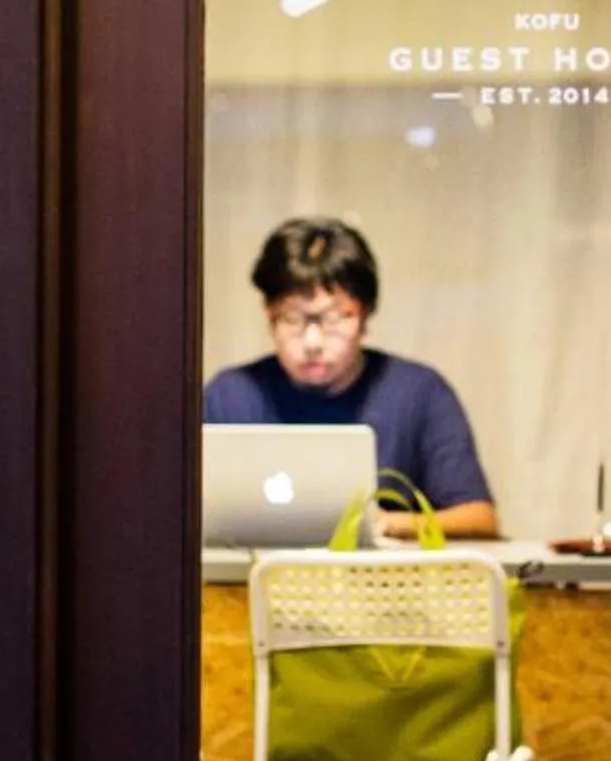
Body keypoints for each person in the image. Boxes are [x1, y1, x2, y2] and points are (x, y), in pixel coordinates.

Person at [205, 217, 500, 539]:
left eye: (334, 318)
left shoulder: (420, 393)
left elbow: (480, 518)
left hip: (377, 585)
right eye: (293, 318)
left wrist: (389, 524)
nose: (313, 342)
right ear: (268, 313)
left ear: (365, 314)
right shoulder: (229, 396)